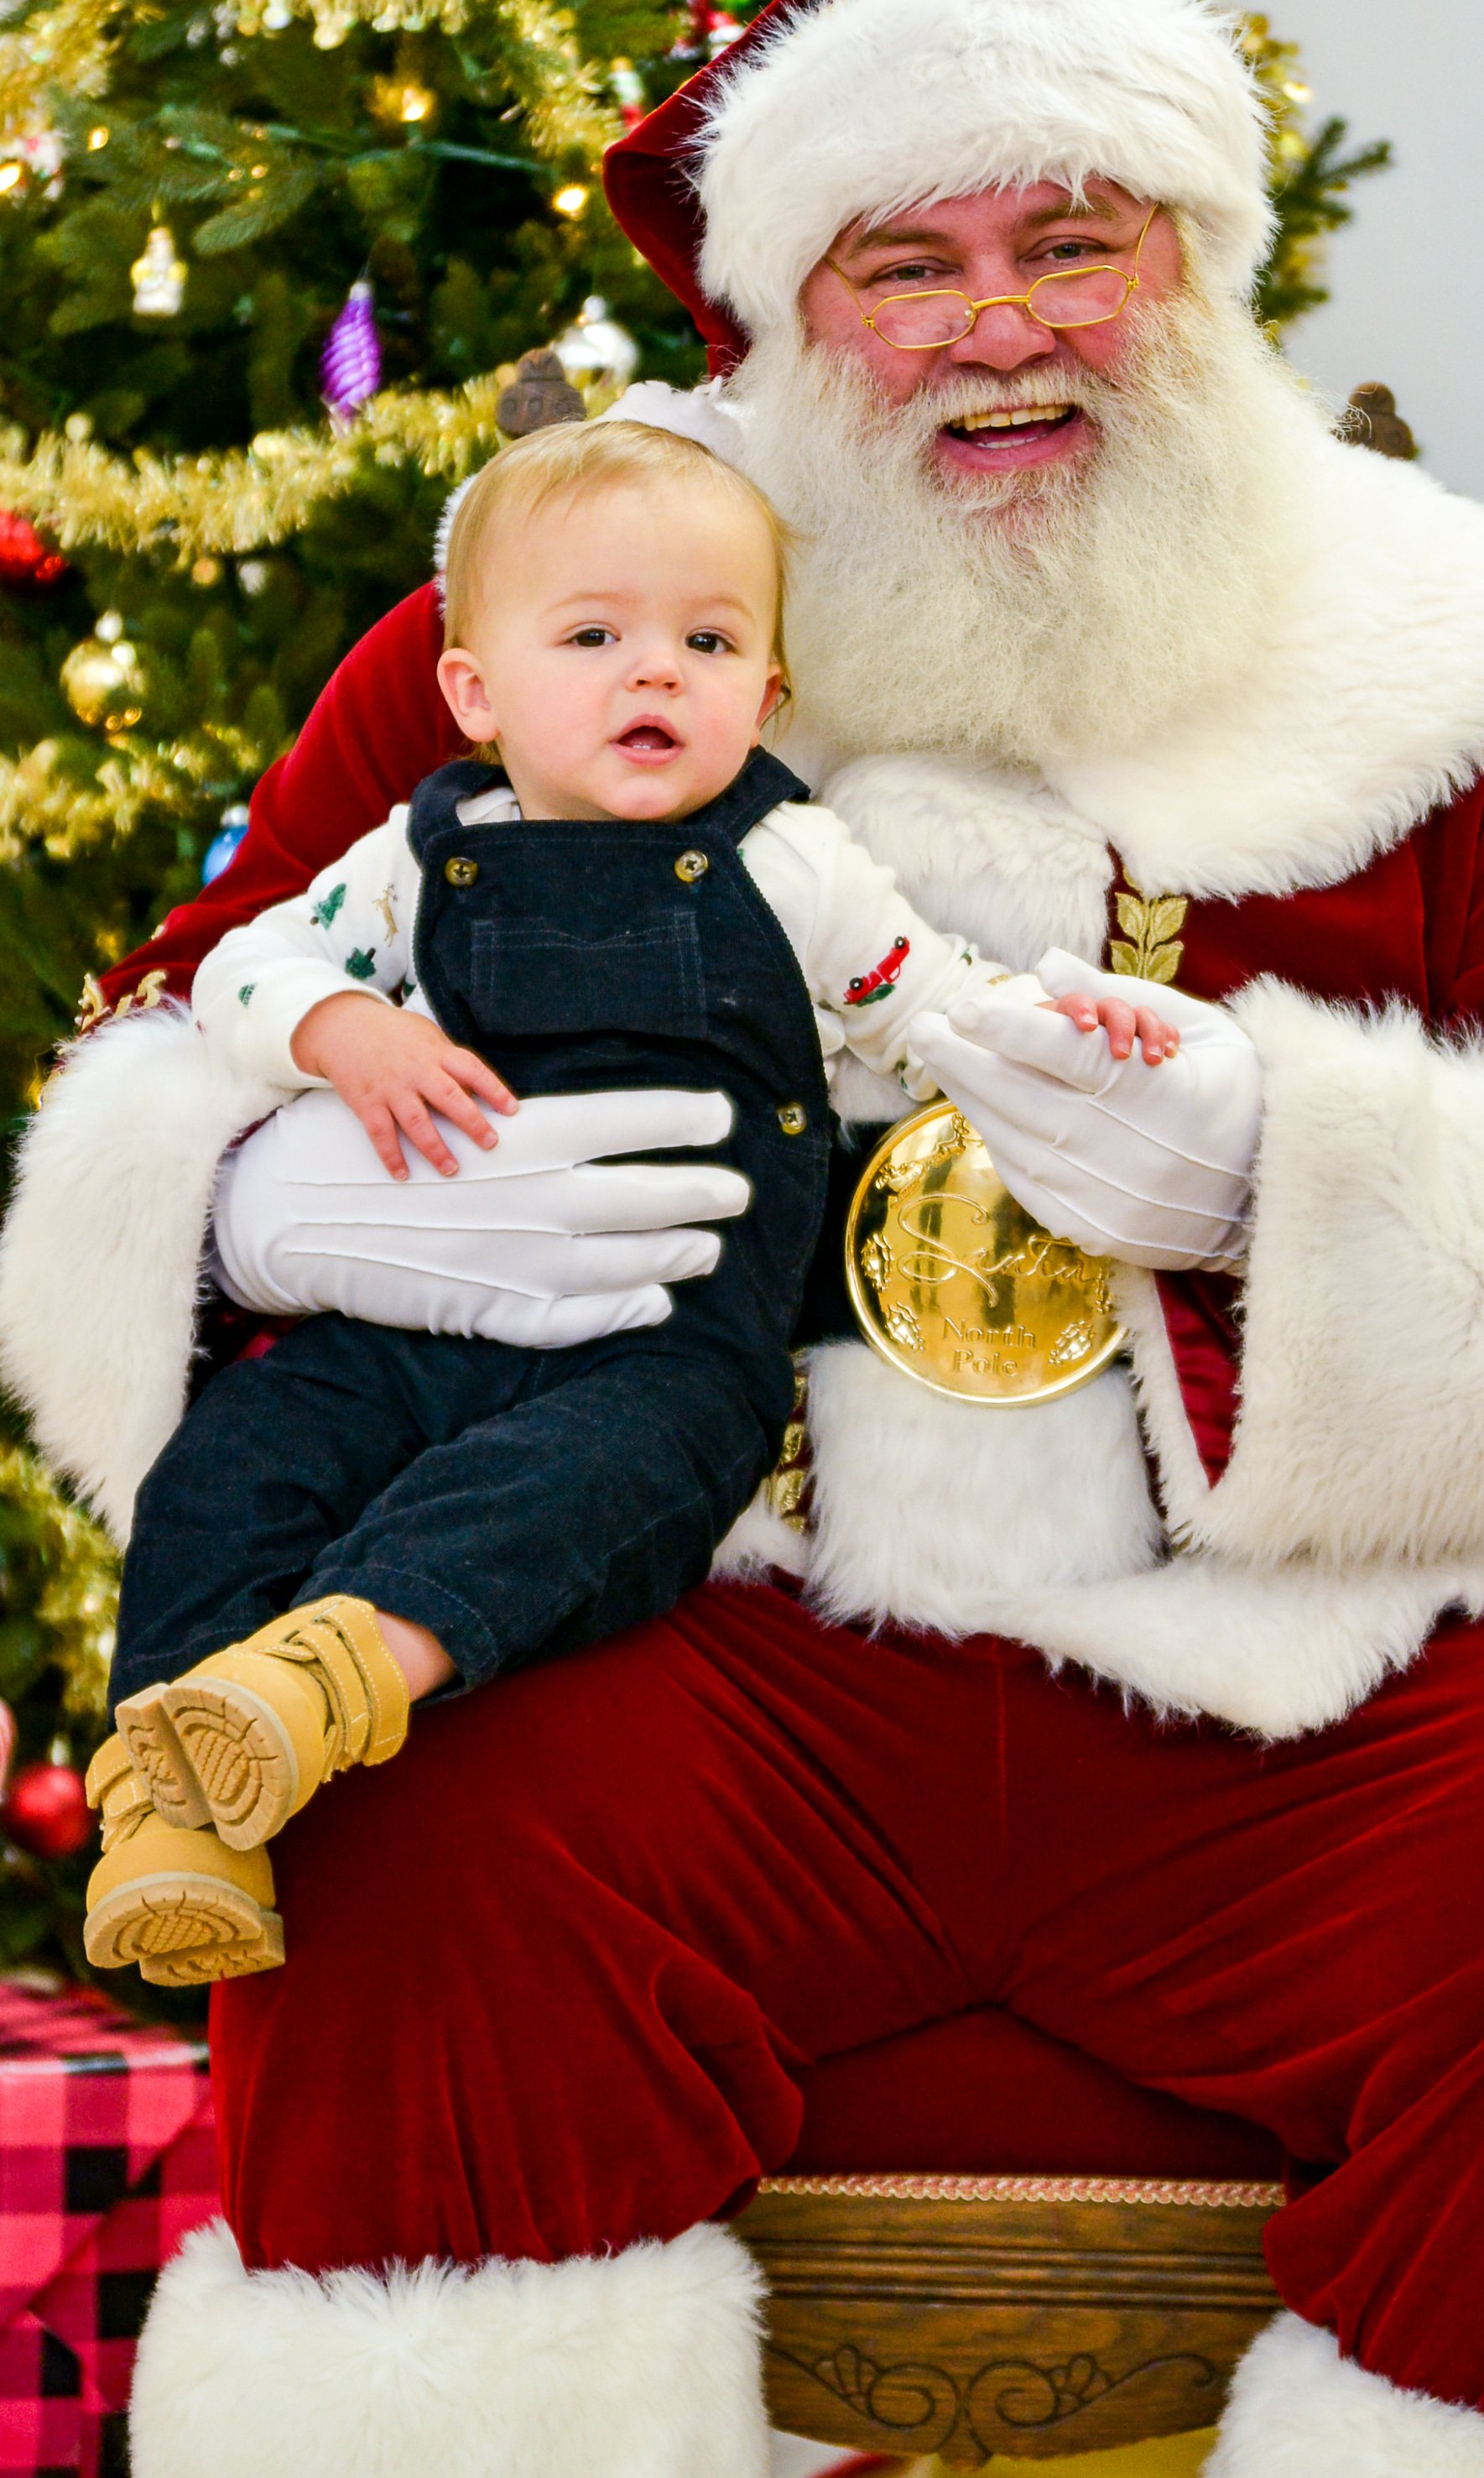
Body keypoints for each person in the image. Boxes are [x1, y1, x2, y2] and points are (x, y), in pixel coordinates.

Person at [0, 0, 1484, 2477]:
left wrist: (1298, 1182)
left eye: (1073, 240)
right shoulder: (573, 613)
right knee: (404, 1823)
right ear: (784, 308)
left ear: (1189, 261)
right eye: (907, 265)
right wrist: (285, 1206)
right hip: (685, 1620)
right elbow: (168, 1040)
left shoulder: (1460, 653)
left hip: (1317, 1669)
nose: (1003, 329)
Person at [85, 411, 1173, 1986]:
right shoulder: (415, 858)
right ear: (474, 689)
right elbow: (250, 962)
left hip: (664, 1342)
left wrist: (1078, 1029)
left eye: (709, 640)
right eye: (593, 634)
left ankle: (330, 1673)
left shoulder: (794, 860)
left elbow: (932, 1009)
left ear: (769, 696)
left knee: (570, 1492)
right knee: (232, 1467)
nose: (654, 671)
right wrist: (342, 1027)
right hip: (415, 1308)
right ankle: (178, 1806)